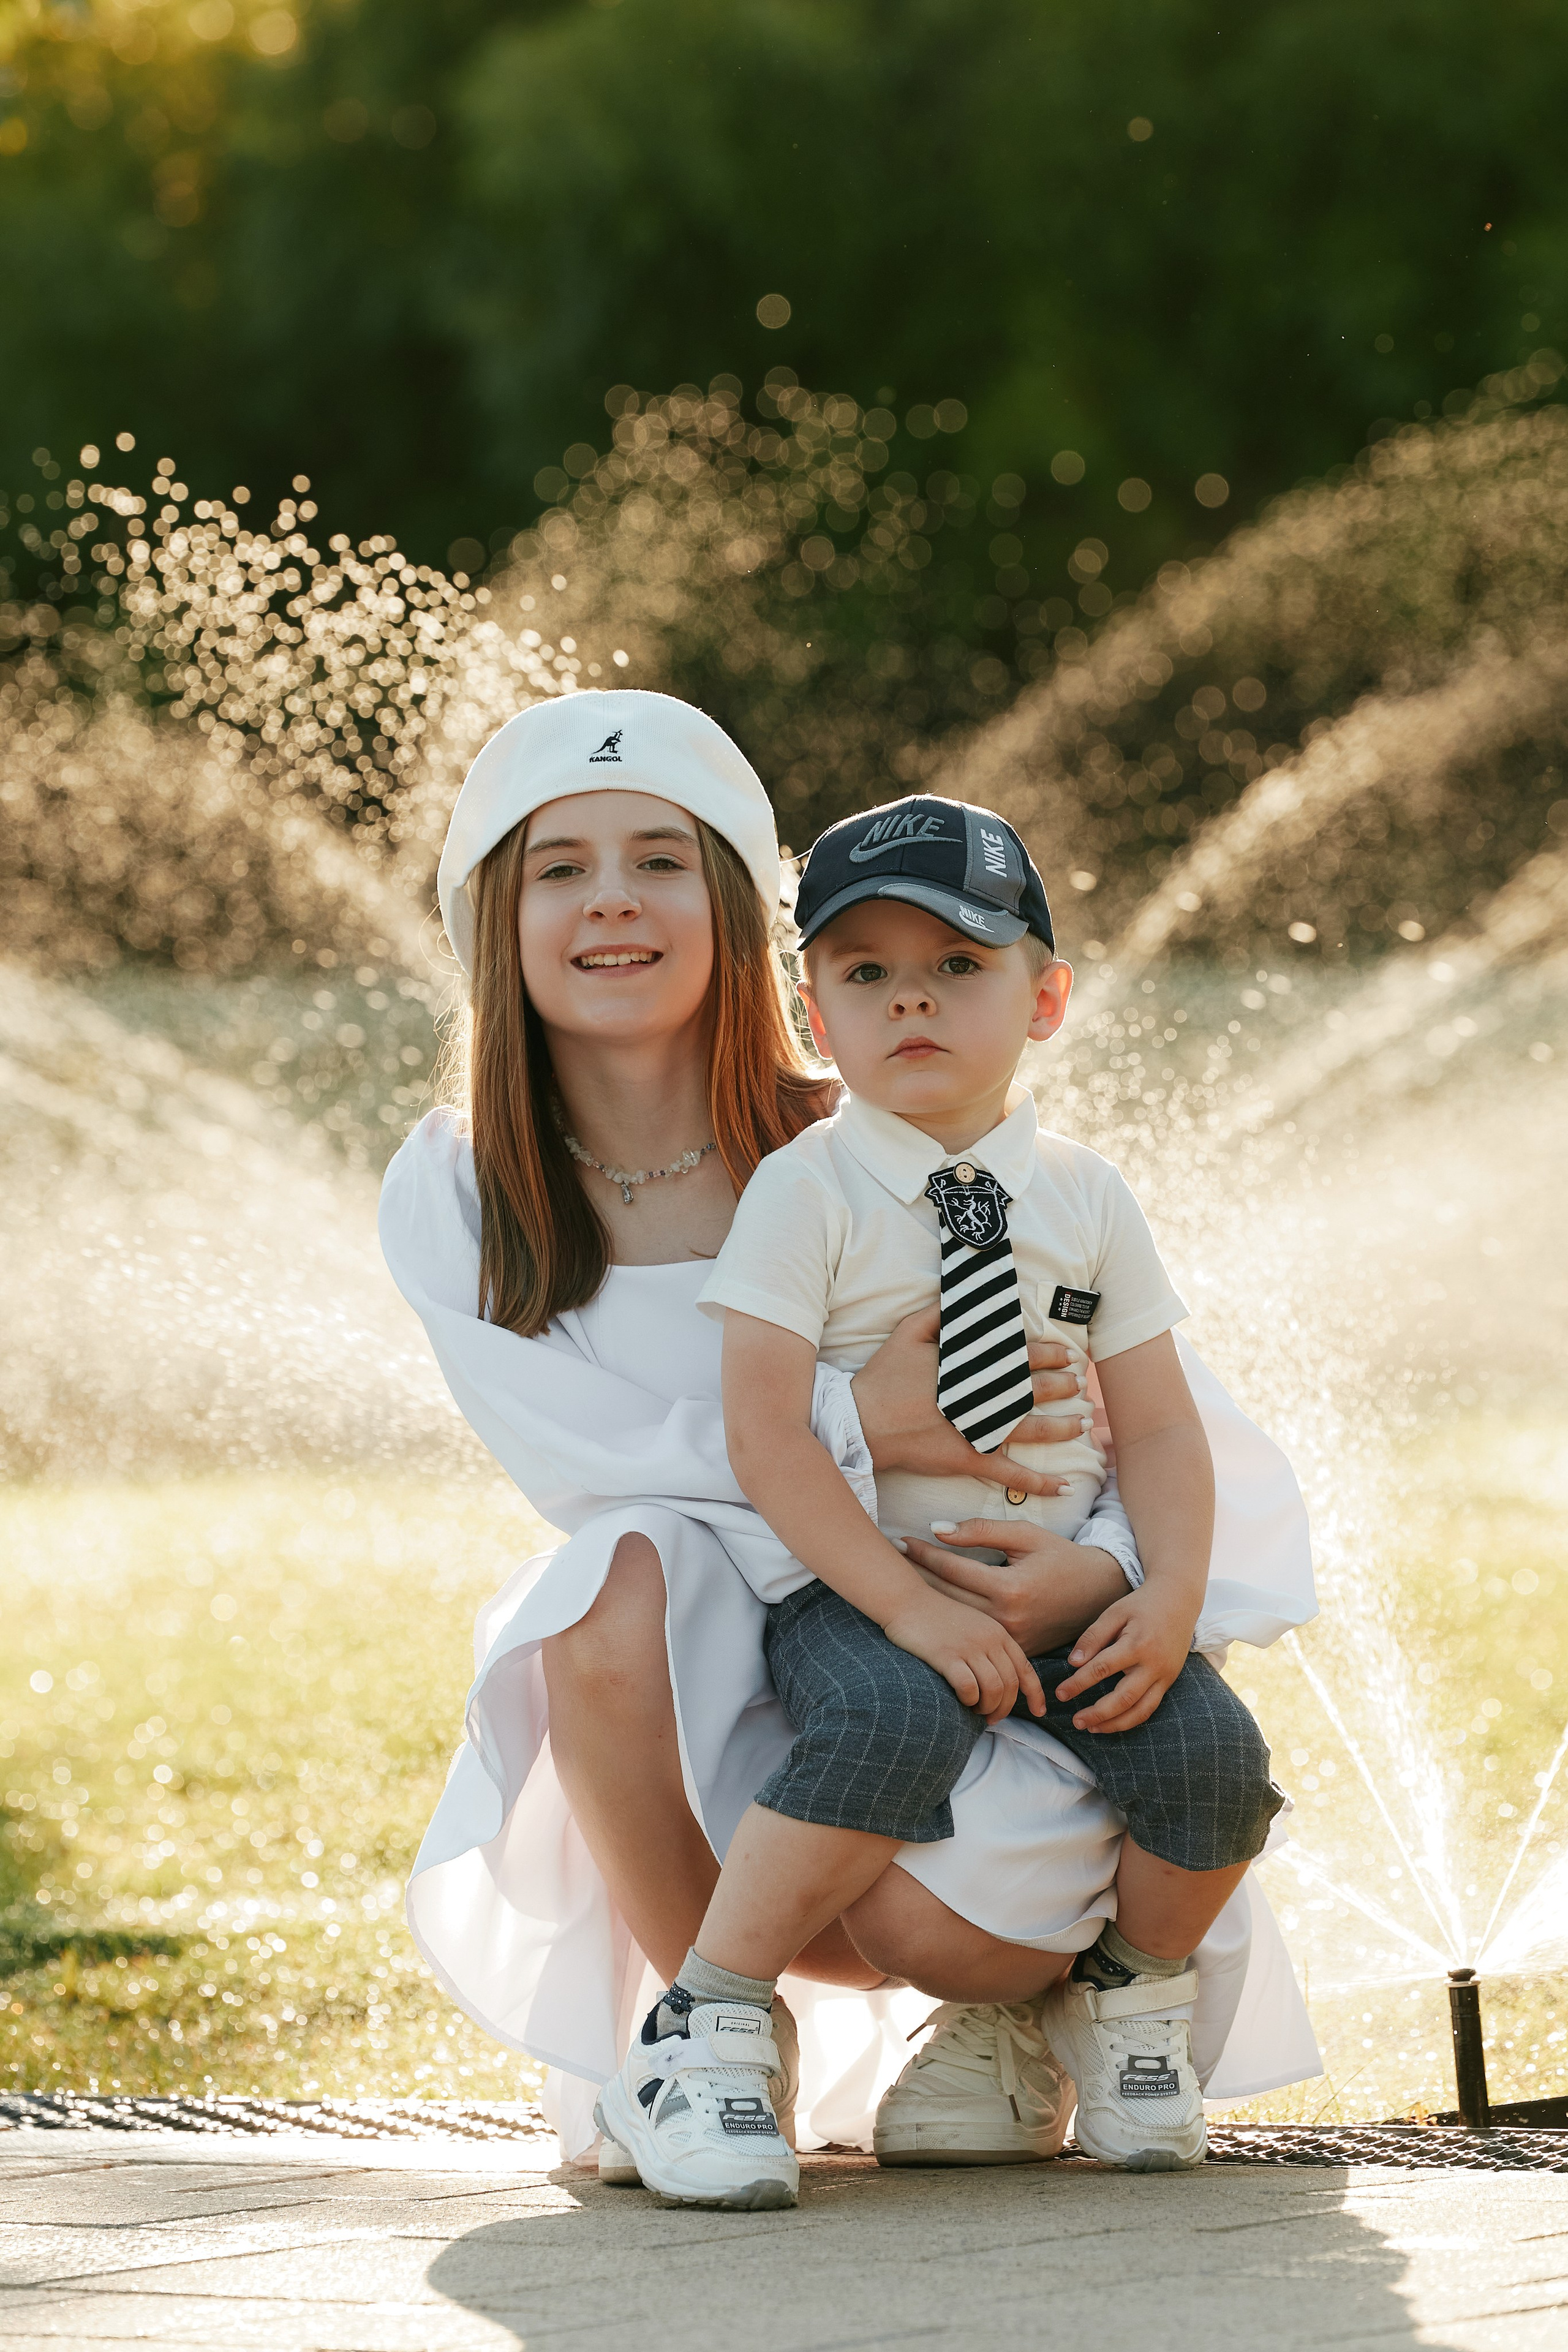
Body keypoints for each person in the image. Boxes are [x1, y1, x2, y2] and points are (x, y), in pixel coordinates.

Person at [378, 689, 1321, 2184]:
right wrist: (864, 1422)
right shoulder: (463, 1188)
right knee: (603, 1582)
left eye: (660, 862)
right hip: (736, 1639)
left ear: (745, 920)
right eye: (558, 867)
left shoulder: (878, 1146)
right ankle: (707, 2038)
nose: (610, 900)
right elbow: (601, 1464)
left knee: (937, 1921)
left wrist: (1103, 1578)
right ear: (493, 913)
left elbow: (1140, 1418)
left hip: (979, 1610)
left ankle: (1026, 2013)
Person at [597, 797, 1287, 2206]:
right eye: (864, 972)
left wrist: (1163, 1596)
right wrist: (902, 1605)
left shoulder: (1087, 1198)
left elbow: (1156, 1426)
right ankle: (709, 2019)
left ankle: (1122, 1997)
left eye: (957, 965)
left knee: (1212, 1754)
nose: (909, 995)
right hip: (866, 1580)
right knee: (892, 1714)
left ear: (1043, 1000)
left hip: (1051, 1586)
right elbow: (764, 1432)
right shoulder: (810, 1195)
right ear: (814, 1013)